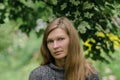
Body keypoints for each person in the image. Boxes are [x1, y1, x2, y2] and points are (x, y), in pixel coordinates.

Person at [29, 17, 100, 80]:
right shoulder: (39, 75)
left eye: (60, 39)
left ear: (72, 40)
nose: (55, 46)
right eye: (50, 41)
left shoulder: (89, 74)